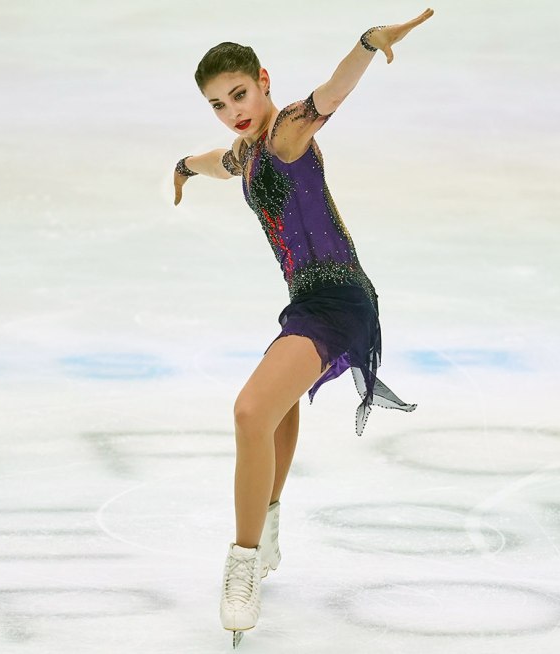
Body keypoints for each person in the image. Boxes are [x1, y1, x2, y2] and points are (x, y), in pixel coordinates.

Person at [172, 9, 433, 645]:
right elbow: (221, 162)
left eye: (240, 93)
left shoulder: (287, 131)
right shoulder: (245, 149)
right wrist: (184, 165)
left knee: (249, 412)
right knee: (274, 412)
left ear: (263, 81)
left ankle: (243, 561)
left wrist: (368, 43)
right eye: (218, 104)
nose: (233, 109)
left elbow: (330, 95)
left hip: (339, 301)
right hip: (308, 302)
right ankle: (268, 529)